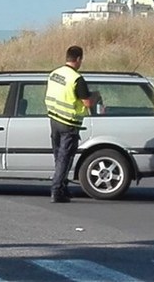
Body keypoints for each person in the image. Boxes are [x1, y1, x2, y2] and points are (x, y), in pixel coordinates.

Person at [45, 46, 99, 203]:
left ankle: (62, 187)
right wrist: (96, 95)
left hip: (54, 119)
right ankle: (57, 191)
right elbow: (87, 102)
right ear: (79, 59)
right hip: (69, 123)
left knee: (58, 156)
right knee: (65, 158)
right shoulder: (77, 79)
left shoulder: (55, 74)